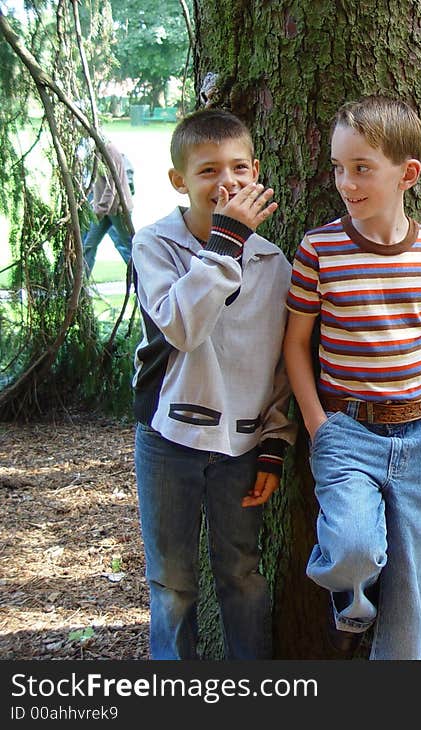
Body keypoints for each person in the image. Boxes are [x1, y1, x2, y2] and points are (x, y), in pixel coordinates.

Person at [283, 95, 421, 660]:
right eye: (339, 167)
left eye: (362, 168)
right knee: (352, 548)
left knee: (414, 596)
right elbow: (295, 345)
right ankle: (351, 596)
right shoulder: (320, 249)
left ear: (407, 174)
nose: (346, 182)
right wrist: (320, 427)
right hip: (347, 433)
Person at [130, 108, 296, 660]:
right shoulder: (155, 245)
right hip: (168, 439)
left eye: (239, 168)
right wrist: (225, 244)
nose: (226, 182)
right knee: (173, 587)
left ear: (256, 173)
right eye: (207, 171)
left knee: (242, 576)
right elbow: (181, 326)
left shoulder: (274, 262)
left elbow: (277, 362)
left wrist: (275, 444)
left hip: (243, 445)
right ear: (180, 181)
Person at [81, 139, 135, 274]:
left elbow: (112, 185)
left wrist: (100, 209)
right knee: (89, 245)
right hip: (103, 210)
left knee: (130, 248)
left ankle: (143, 284)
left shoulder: (109, 150)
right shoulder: (95, 152)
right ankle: (82, 288)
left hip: (118, 209)